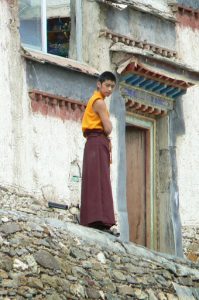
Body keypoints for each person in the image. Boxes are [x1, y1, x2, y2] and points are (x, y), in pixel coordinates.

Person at [80, 71, 116, 233]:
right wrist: (109, 127)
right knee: (100, 179)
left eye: (112, 87)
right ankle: (101, 219)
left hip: (92, 143)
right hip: (98, 141)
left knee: (93, 178)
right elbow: (108, 128)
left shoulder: (94, 100)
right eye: (107, 85)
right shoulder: (99, 102)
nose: (109, 89)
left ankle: (91, 218)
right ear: (99, 84)